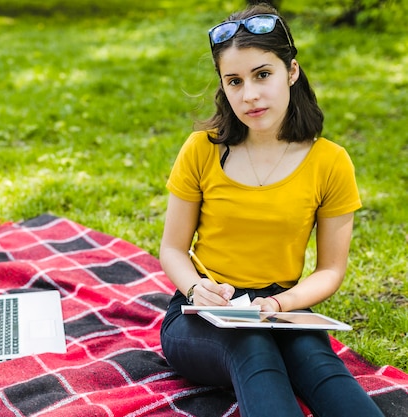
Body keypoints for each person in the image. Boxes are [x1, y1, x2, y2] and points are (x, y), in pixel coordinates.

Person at [159, 3, 384, 417]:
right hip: (202, 312)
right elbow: (172, 249)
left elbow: (331, 270)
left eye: (263, 74)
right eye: (234, 81)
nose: (250, 95)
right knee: (254, 350)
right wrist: (196, 289)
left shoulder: (330, 162)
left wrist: (282, 305)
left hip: (284, 308)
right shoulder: (201, 150)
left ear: (291, 71)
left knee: (322, 368)